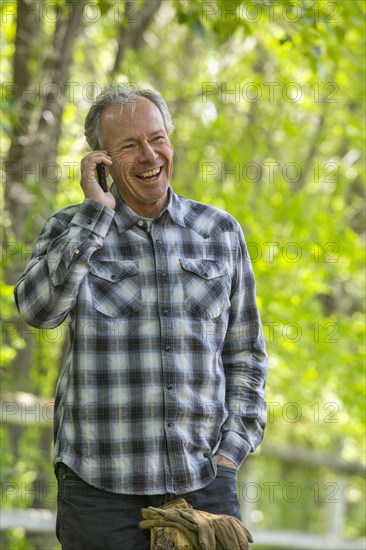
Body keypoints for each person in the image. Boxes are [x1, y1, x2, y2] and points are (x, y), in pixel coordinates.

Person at [14, 85, 268, 550]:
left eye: (157, 138)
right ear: (102, 161)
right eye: (128, 146)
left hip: (204, 483)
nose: (149, 154)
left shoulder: (220, 232)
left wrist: (230, 456)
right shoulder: (69, 228)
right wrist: (95, 215)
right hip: (99, 490)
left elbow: (246, 356)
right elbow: (37, 311)